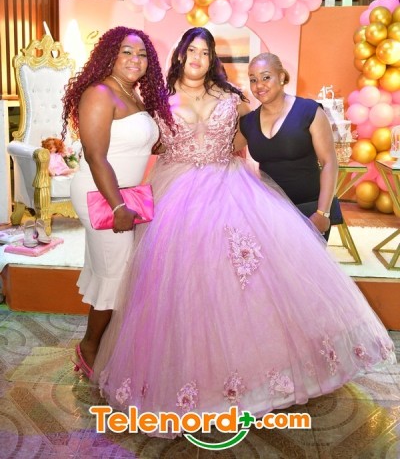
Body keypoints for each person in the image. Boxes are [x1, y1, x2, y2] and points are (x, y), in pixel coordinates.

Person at [92, 27, 395, 436]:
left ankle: (264, 375)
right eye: (191, 50)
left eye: (205, 51)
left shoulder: (233, 99)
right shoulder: (157, 101)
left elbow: (253, 136)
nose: (197, 57)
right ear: (179, 55)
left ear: (212, 58)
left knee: (249, 281)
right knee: (181, 285)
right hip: (175, 195)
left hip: (230, 188)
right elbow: (142, 143)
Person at [61, 26, 173, 377]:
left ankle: (110, 345)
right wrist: (117, 206)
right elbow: (95, 156)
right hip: (103, 195)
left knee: (119, 272)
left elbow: (140, 144)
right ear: (110, 54)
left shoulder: (133, 94)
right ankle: (90, 347)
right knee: (117, 275)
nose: (135, 59)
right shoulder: (100, 93)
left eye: (141, 54)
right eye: (126, 51)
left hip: (128, 193)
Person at [239, 52, 339, 240]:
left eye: (266, 77)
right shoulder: (249, 122)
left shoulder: (309, 111)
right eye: (253, 80)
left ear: (281, 77)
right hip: (269, 212)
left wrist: (323, 213)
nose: (259, 85)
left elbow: (329, 162)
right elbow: (219, 149)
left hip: (309, 212)